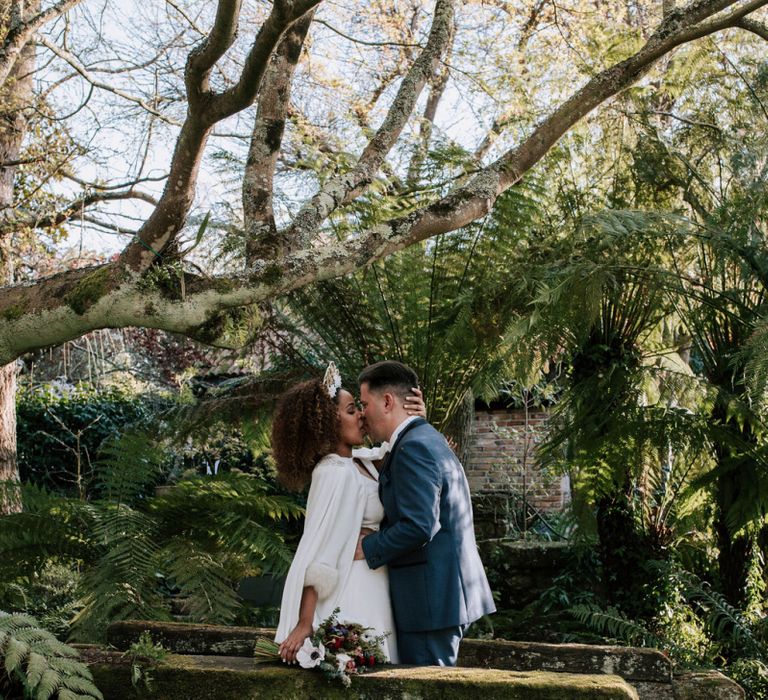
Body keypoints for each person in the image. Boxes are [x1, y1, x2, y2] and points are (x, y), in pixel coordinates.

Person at [272, 365, 425, 665]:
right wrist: (305, 623)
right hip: (352, 588)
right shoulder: (332, 472)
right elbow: (319, 553)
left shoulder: (361, 462)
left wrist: (415, 419)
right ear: (328, 422)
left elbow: (400, 448)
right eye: (353, 410)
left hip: (375, 580)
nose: (362, 416)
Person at [357, 360, 495, 666]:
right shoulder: (424, 438)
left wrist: (368, 546)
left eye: (365, 403)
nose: (363, 412)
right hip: (439, 595)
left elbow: (419, 525)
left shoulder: (413, 448)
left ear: (388, 401)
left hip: (429, 601)